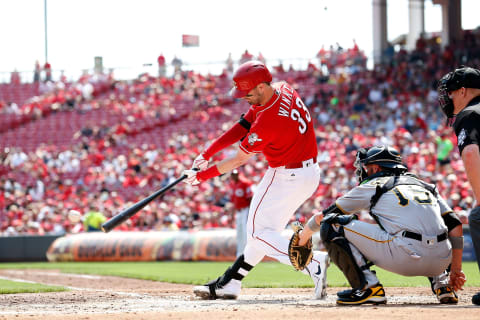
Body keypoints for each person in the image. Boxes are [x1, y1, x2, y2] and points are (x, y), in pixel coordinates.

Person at [183, 60, 329, 300]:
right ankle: (231, 282)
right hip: (307, 172)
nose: (244, 98)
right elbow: (243, 124)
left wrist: (200, 176)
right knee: (265, 233)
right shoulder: (283, 88)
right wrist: (206, 154)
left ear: (261, 86)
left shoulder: (269, 121)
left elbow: (237, 160)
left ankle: (313, 263)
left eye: (247, 93)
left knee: (257, 235)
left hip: (286, 175)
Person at [296, 145, 465, 305]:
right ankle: (444, 287)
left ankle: (368, 287)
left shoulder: (373, 184)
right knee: (427, 227)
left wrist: (302, 239)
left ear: (376, 168)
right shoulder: (426, 186)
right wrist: (456, 270)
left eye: (366, 166)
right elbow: (455, 225)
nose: (362, 170)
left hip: (405, 257)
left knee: (331, 224)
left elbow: (322, 217)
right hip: (441, 261)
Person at [437, 66, 480, 305]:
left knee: (477, 215)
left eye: (451, 92)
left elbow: (472, 153)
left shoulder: (469, 114)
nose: (448, 98)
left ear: (462, 91)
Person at [229, 169, 253, 257]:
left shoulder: (245, 183)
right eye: (232, 174)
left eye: (235, 174)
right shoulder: (233, 185)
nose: (234, 176)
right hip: (238, 211)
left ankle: (248, 253)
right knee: (239, 233)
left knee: (245, 232)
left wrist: (250, 212)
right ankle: (240, 254)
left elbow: (250, 197)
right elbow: (234, 201)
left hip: (245, 210)